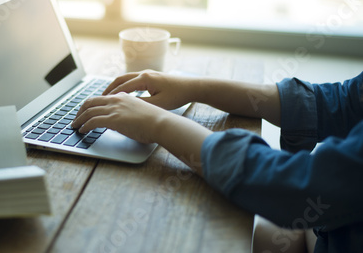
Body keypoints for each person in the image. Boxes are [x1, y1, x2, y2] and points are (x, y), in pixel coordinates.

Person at [71, 70, 363, 253]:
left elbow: (300, 188)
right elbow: (335, 103)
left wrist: (159, 124)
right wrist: (195, 87)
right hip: (325, 233)